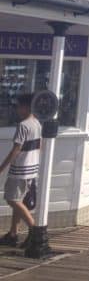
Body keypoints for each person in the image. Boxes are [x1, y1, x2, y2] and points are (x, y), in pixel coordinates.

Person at [0, 94, 40, 247]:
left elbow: (16, 149)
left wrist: (2, 168)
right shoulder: (37, 123)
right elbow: (39, 145)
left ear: (26, 107)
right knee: (20, 200)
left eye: (18, 106)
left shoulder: (23, 125)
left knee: (12, 199)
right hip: (31, 168)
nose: (17, 109)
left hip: (20, 170)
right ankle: (13, 233)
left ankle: (35, 231)